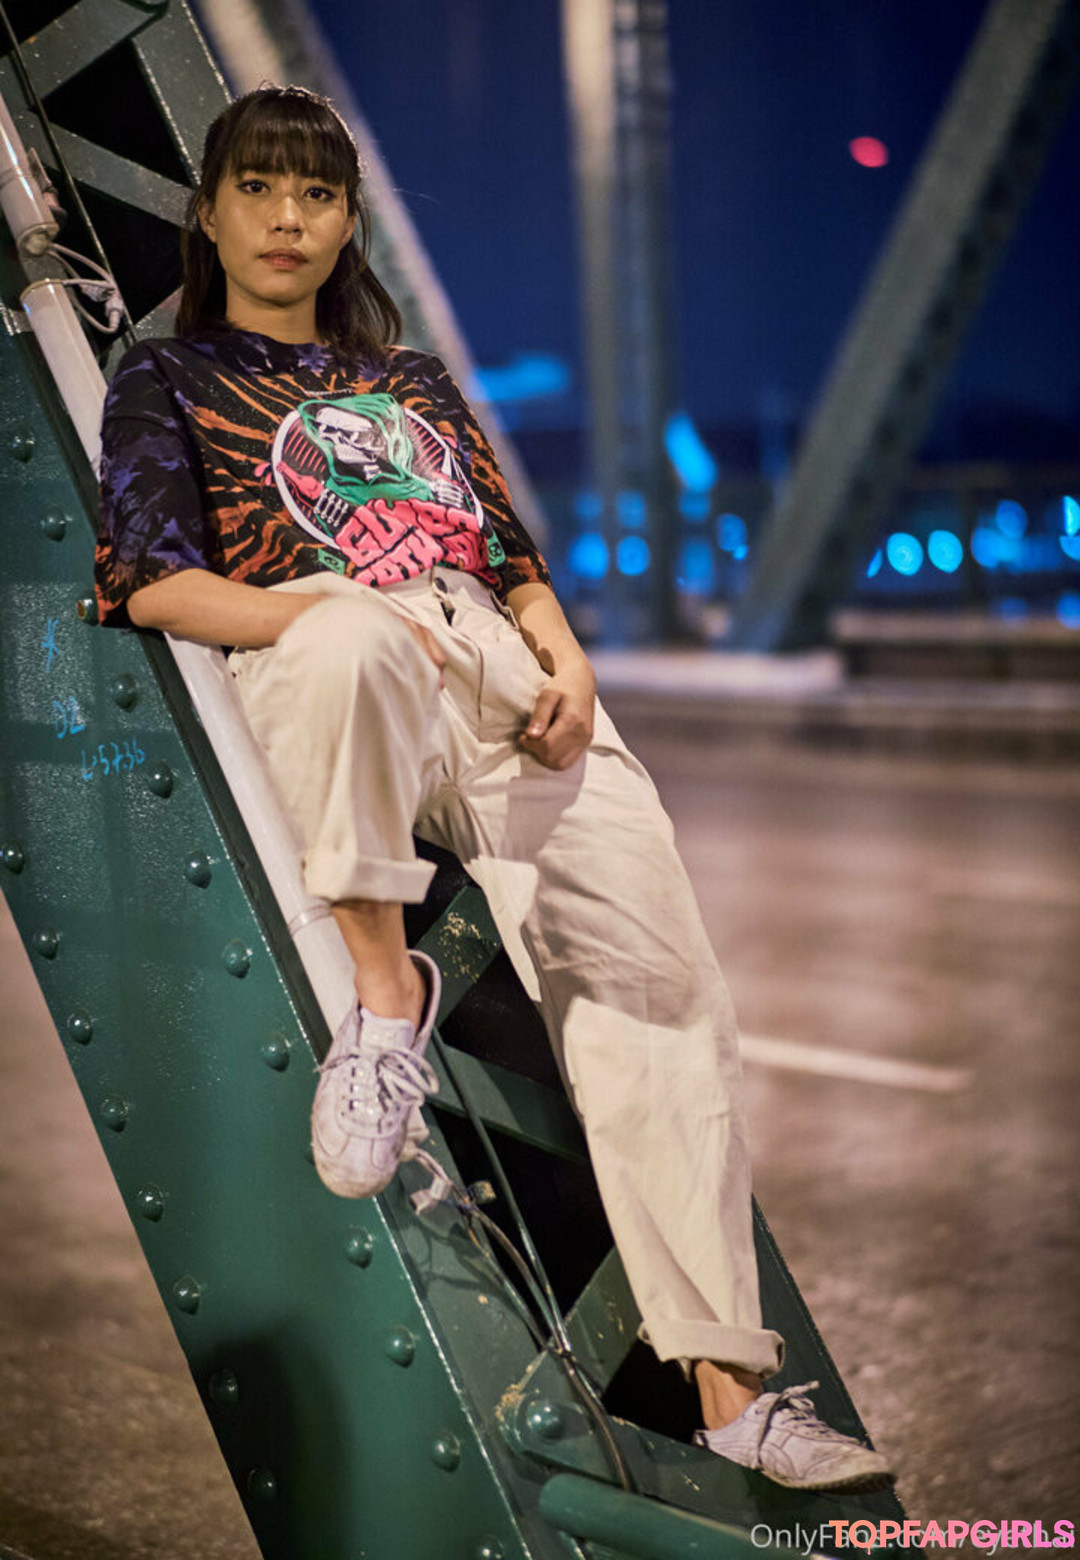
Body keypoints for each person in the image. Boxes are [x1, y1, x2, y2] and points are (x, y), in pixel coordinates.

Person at [93, 84, 893, 1494]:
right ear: (207, 212)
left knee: (659, 990)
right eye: (259, 189)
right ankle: (382, 1002)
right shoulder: (168, 377)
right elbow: (152, 582)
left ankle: (732, 1395)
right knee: (349, 638)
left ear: (348, 223)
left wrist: (564, 655)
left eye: (318, 194)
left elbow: (510, 554)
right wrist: (326, 611)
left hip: (495, 670)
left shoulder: (411, 383)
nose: (288, 219)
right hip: (326, 649)